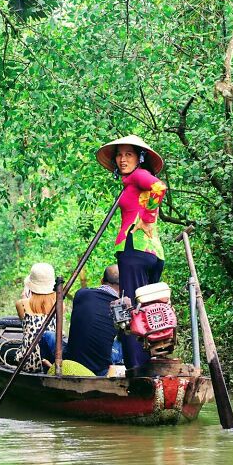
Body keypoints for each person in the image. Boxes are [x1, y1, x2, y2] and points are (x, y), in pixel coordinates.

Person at [96, 135, 167, 370]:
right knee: (147, 308)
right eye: (119, 154)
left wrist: (146, 218)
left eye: (128, 154)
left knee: (129, 310)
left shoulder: (138, 176)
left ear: (140, 158)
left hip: (134, 250)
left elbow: (159, 187)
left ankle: (137, 369)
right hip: (151, 252)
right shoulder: (132, 183)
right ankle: (149, 361)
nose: (122, 159)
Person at [63, 265, 122, 376]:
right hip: (100, 369)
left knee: (48, 336)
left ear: (101, 281)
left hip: (73, 361)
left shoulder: (81, 294)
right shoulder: (121, 306)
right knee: (123, 340)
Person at [15, 262, 57, 372]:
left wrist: (24, 298)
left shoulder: (21, 304)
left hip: (28, 362)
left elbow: (25, 326)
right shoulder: (60, 304)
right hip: (53, 361)